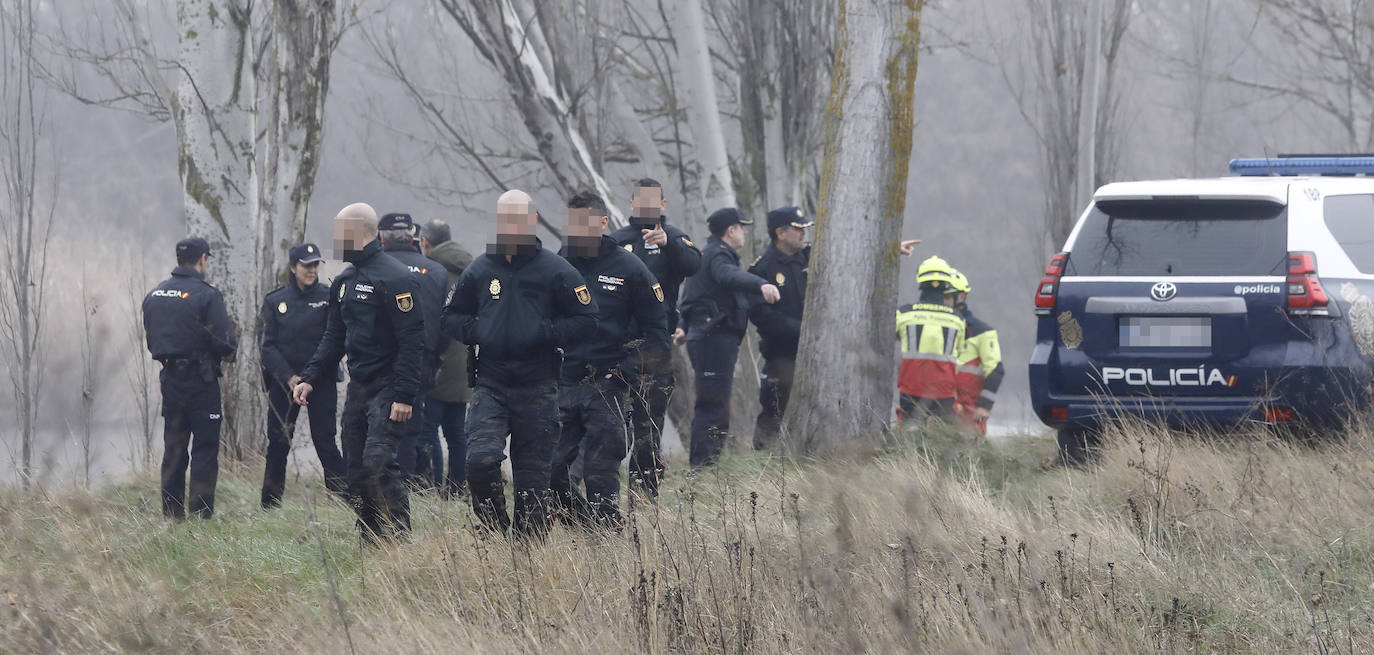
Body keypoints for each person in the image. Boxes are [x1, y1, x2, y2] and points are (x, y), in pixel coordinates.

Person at [442, 189, 598, 537]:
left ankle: (527, 557)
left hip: (539, 387)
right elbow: (451, 316)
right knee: (479, 462)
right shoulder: (481, 269)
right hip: (491, 384)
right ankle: (496, 533)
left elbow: (587, 319)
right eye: (504, 220)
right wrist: (481, 329)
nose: (509, 226)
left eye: (517, 219)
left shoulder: (556, 270)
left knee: (533, 485)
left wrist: (544, 331)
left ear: (531, 221)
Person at [293, 203, 426, 542]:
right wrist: (309, 377)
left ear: (362, 232)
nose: (337, 240)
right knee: (355, 467)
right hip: (359, 387)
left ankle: (399, 538)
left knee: (379, 459)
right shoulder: (345, 281)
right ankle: (371, 538)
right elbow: (333, 338)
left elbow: (413, 341)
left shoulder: (396, 278)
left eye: (342, 233)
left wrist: (404, 395)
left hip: (390, 386)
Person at [552, 191, 669, 527]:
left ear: (603, 223)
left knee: (600, 473)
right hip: (561, 383)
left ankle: (607, 545)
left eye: (584, 223)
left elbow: (657, 336)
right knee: (550, 471)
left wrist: (622, 374)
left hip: (607, 386)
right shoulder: (559, 265)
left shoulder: (630, 268)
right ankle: (586, 526)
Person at [607, 178, 701, 495]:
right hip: (616, 344)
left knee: (649, 424)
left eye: (654, 201)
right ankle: (604, 491)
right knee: (610, 422)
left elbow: (694, 265)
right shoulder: (617, 240)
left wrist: (668, 244)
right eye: (640, 200)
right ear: (632, 204)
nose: (647, 206)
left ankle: (644, 493)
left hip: (656, 346)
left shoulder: (675, 237)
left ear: (662, 205)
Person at [141, 237, 236, 519]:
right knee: (205, 449)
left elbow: (151, 340)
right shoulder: (207, 295)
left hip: (170, 379)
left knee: (174, 447)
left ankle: (171, 515)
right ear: (203, 259)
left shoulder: (154, 295)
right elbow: (224, 343)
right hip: (202, 381)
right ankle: (200, 515)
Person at [677, 208, 780, 467]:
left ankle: (706, 465)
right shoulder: (718, 256)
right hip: (713, 339)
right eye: (741, 227)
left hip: (706, 337)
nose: (744, 232)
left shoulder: (706, 255)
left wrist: (682, 327)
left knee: (713, 402)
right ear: (731, 230)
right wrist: (761, 284)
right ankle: (703, 468)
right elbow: (727, 276)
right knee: (713, 405)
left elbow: (690, 297)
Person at [257, 243, 347, 508]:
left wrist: (311, 378)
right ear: (293, 268)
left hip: (321, 381)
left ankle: (343, 498)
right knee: (278, 443)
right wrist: (290, 377)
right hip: (285, 383)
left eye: (315, 265)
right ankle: (270, 504)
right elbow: (267, 346)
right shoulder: (275, 301)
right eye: (306, 265)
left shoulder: (329, 296)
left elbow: (335, 340)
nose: (312, 270)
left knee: (325, 441)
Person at [377, 212, 449, 488]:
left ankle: (374, 495)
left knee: (373, 430)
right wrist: (434, 359)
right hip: (421, 364)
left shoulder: (373, 268)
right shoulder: (436, 272)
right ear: (413, 236)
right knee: (409, 433)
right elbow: (447, 326)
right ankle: (403, 492)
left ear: (381, 237)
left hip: (379, 365)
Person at [747, 206, 813, 450]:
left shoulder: (811, 257)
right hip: (782, 355)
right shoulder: (762, 269)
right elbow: (763, 317)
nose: (803, 234)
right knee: (774, 410)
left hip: (815, 354)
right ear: (780, 233)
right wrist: (803, 330)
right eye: (798, 229)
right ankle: (762, 464)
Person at [419, 218, 474, 498]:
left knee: (428, 430)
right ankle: (457, 488)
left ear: (425, 242)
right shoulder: (470, 268)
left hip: (438, 363)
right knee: (457, 433)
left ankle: (431, 487)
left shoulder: (430, 272)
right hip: (464, 363)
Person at [895, 255, 967, 423]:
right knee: (942, 441)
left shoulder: (904, 314)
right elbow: (960, 351)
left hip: (910, 390)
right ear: (946, 285)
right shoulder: (958, 320)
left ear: (920, 282)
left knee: (908, 439)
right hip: (945, 393)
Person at [948, 270, 1004, 440]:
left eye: (948, 296)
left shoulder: (982, 332)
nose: (943, 301)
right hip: (939, 409)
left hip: (969, 414)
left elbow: (996, 370)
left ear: (962, 297)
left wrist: (984, 406)